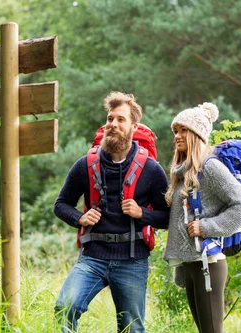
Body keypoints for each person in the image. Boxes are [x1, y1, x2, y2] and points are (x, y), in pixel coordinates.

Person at [54, 91, 169, 333]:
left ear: (133, 126)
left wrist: (142, 214)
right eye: (109, 119)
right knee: (65, 307)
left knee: (132, 328)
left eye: (120, 120)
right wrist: (79, 218)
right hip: (93, 256)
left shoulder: (151, 169)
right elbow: (61, 204)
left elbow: (168, 217)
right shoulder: (85, 164)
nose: (113, 125)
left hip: (133, 260)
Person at [163, 103, 241, 333]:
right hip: (193, 264)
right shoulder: (184, 173)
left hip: (209, 264)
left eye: (184, 130)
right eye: (175, 131)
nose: (177, 136)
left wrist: (206, 226)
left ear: (198, 134)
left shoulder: (210, 167)